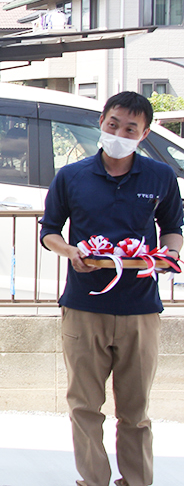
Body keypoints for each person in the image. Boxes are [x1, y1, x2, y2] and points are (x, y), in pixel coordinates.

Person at [40, 92, 183, 486]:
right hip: (84, 307)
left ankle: (136, 481)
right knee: (84, 406)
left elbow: (173, 226)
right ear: (101, 122)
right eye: (113, 124)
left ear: (144, 133)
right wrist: (70, 251)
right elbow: (49, 232)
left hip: (140, 310)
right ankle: (94, 480)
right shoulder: (72, 176)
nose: (119, 133)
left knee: (135, 411)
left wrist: (166, 255)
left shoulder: (160, 176)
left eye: (130, 128)